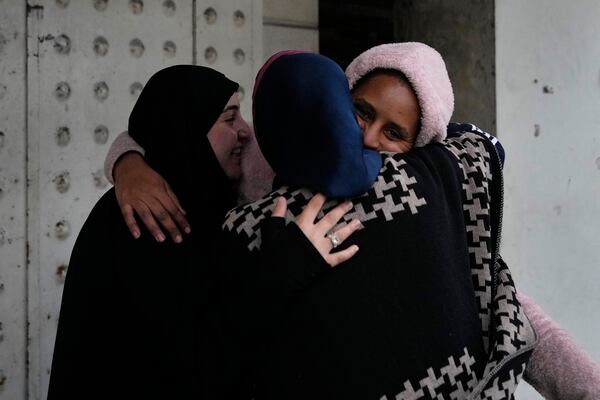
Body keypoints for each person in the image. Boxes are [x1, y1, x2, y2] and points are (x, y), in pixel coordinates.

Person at [104, 46, 600, 399]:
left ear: (419, 143)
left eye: (394, 132)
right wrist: (128, 163)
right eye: (360, 112)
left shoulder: (421, 203)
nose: (368, 138)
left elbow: (499, 294)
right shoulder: (278, 155)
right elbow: (175, 139)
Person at [48, 65, 362, 400]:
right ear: (186, 131)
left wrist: (126, 160)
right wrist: (279, 275)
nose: (246, 131)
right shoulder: (148, 220)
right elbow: (198, 366)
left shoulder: (208, 199)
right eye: (229, 118)